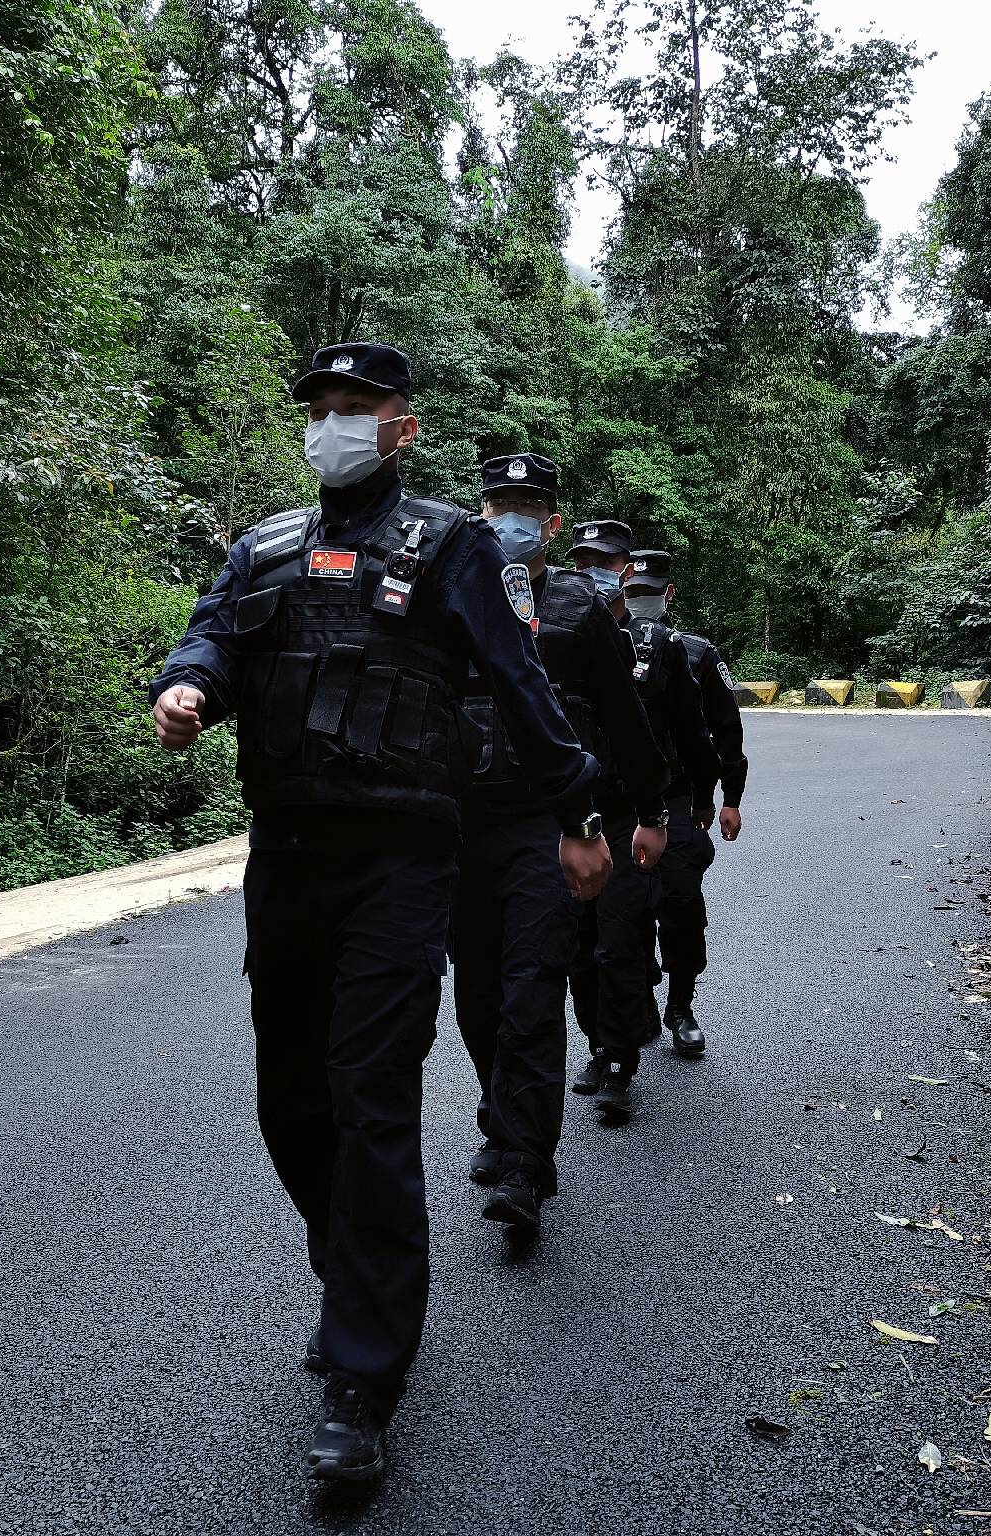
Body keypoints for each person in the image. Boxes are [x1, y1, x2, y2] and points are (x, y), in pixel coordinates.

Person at [148, 342, 612, 1485]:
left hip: (405, 860)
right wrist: (189, 683)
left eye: (355, 407)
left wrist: (576, 812)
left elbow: (516, 677)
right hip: (288, 856)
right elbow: (212, 628)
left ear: (401, 428)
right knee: (289, 1100)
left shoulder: (450, 544)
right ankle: (352, 1263)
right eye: (319, 407)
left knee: (368, 1097)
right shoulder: (261, 544)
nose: (332, 424)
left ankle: (364, 1375)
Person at [453, 453, 670, 1235]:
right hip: (459, 828)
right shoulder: (450, 594)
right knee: (476, 994)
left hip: (547, 828)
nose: (511, 517)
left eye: (527, 506)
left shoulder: (581, 608)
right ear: (480, 513)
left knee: (531, 991)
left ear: (551, 521)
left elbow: (624, 721)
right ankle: (497, 1113)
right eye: (498, 503)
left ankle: (525, 1166)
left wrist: (649, 810)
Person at [564, 520, 717, 1120]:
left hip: (633, 812)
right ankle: (600, 1042)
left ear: (626, 571)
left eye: (605, 561)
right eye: (584, 560)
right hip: (571, 815)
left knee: (620, 941)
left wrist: (702, 797)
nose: (593, 571)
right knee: (579, 948)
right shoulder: (556, 635)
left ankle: (623, 1057)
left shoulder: (662, 649)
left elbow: (693, 733)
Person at [624, 549, 748, 1057]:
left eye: (648, 594)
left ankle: (681, 1004)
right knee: (622, 910)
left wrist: (729, 797)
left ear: (668, 594)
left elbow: (725, 729)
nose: (638, 603)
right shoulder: (599, 646)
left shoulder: (694, 652)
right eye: (632, 593)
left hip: (679, 797)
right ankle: (628, 1015)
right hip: (618, 798)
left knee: (679, 901)